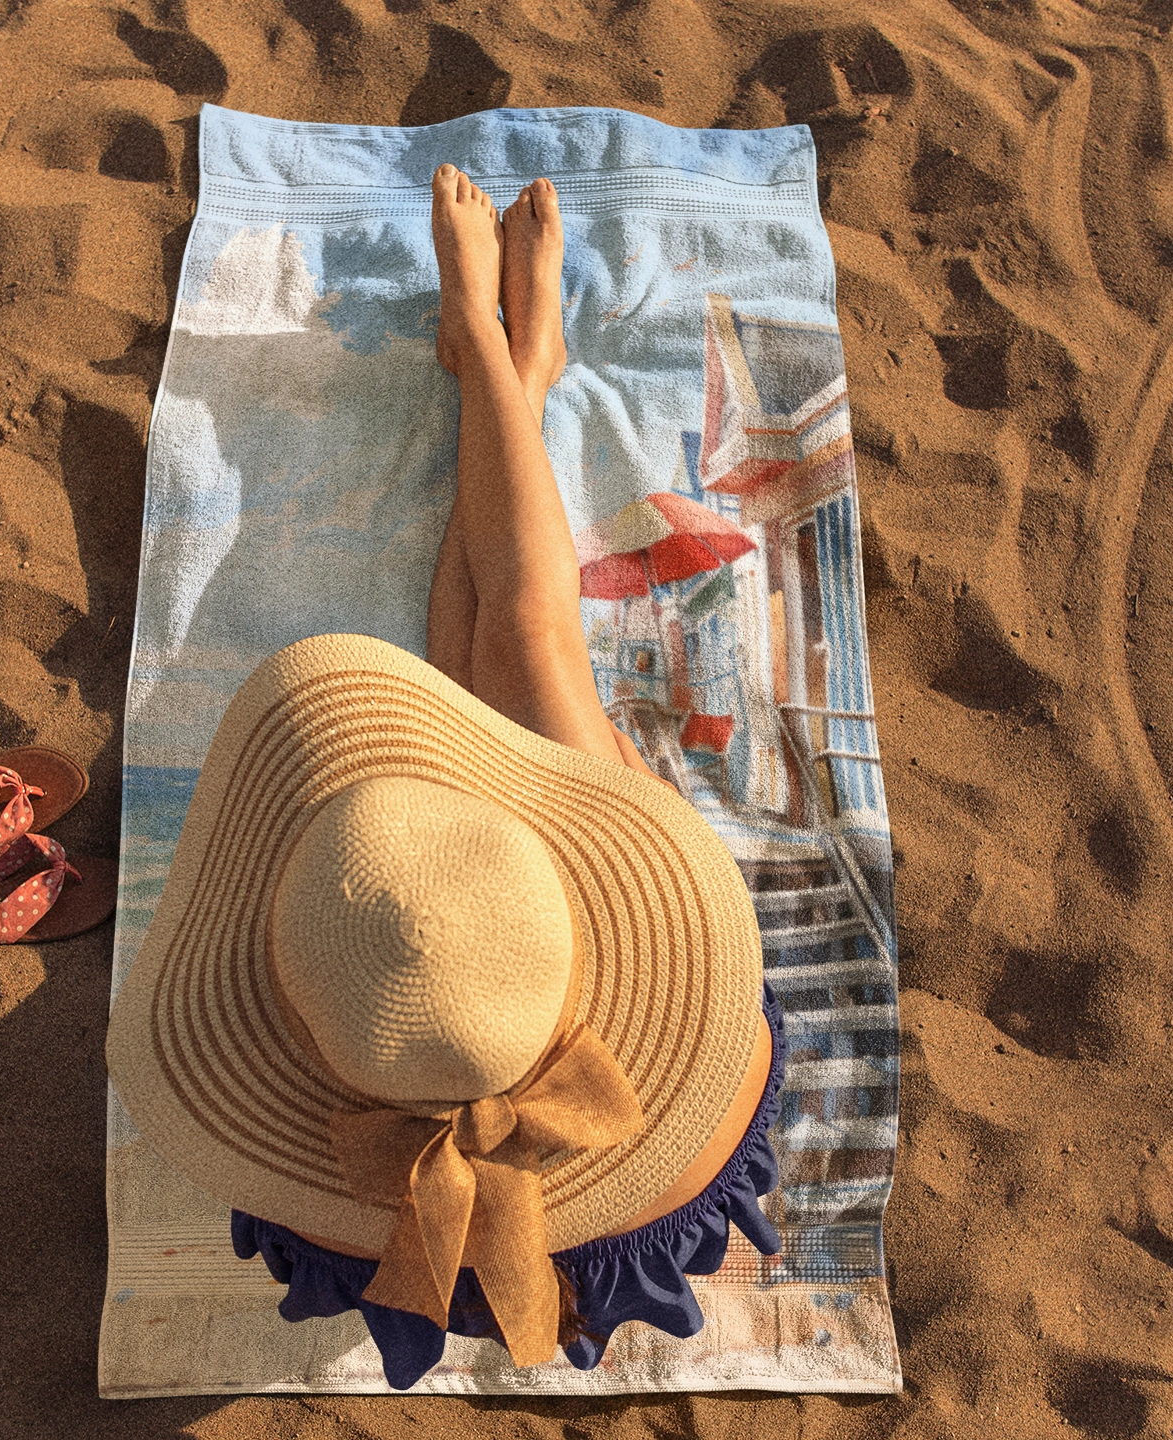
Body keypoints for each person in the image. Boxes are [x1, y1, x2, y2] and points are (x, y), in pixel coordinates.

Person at [106, 168, 782, 1390]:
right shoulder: (689, 1099)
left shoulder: (329, 1192)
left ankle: (498, 364)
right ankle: (500, 360)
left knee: (468, 675)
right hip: (598, 1062)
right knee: (522, 641)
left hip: (477, 1016)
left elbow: (373, 1036)